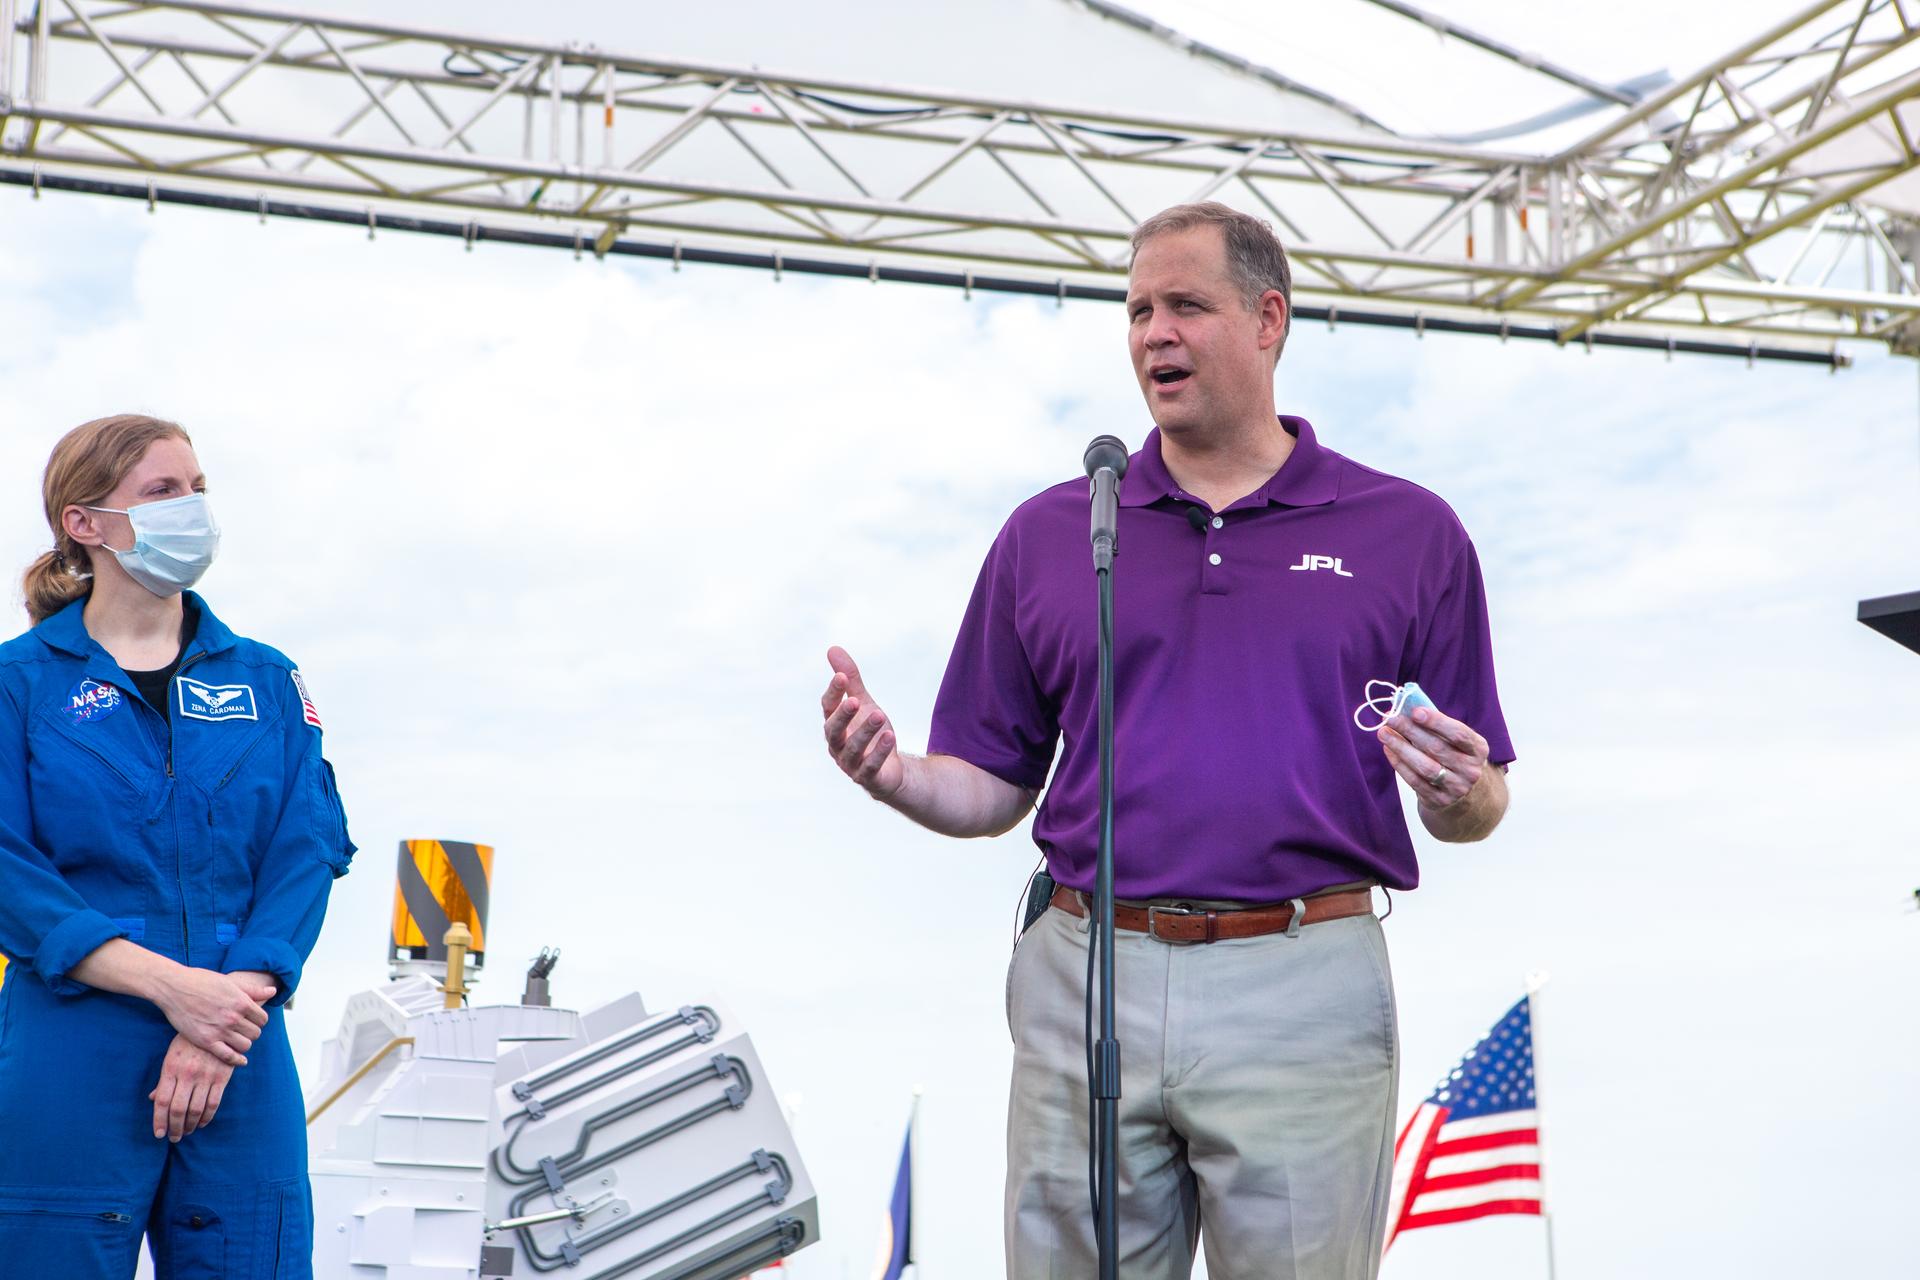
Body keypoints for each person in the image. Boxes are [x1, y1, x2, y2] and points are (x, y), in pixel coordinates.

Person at [821, 202, 1514, 1279]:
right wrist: (895, 774)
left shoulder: (1408, 532)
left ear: (1269, 320)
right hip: (1088, 970)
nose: (1156, 333)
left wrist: (1461, 792)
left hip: (1304, 982)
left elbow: (1480, 799)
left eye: (1186, 304)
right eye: (1139, 310)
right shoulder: (1052, 533)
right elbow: (991, 781)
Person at [0, 415, 355, 1279]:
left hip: (240, 1042)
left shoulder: (267, 680)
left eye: (197, 489)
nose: (191, 507)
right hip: (74, 1043)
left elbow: (307, 846)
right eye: (163, 491)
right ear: (84, 522)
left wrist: (224, 1009)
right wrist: (173, 989)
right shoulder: (18, 685)